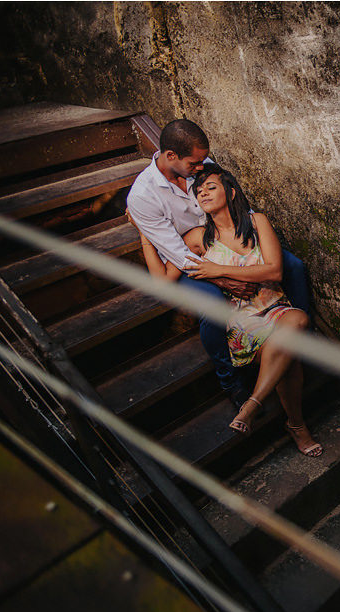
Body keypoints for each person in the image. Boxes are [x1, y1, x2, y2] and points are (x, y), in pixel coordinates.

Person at [135, 163, 322, 457]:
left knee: (297, 319)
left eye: (211, 186)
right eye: (199, 191)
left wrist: (216, 269)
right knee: (288, 359)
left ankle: (253, 404)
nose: (204, 193)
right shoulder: (197, 238)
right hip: (242, 323)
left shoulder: (256, 222)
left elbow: (273, 269)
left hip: (275, 308)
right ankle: (297, 426)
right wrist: (146, 235)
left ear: (231, 191)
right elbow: (162, 282)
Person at [126, 119, 310, 408]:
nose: (202, 167)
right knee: (213, 305)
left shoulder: (201, 163)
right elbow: (176, 252)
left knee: (294, 266)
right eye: (195, 163)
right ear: (171, 156)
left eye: (203, 160)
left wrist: (249, 248)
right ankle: (231, 379)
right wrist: (223, 279)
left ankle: (301, 341)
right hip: (192, 256)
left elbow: (234, 203)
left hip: (229, 240)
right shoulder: (143, 197)